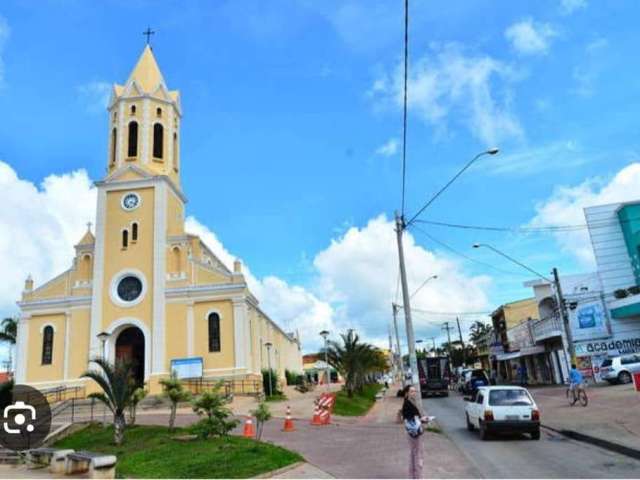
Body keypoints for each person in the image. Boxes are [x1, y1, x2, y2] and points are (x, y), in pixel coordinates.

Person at [401, 385, 428, 479]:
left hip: (413, 432)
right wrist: (422, 419)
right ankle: (418, 476)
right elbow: (410, 419)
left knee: (414, 453)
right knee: (418, 454)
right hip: (414, 433)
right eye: (412, 391)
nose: (414, 393)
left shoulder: (410, 402)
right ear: (407, 393)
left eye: (415, 391)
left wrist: (421, 419)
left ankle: (413, 476)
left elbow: (413, 418)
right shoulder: (407, 404)